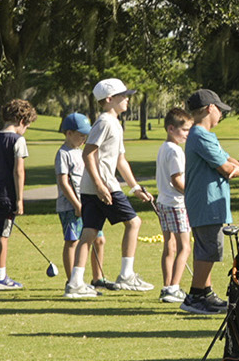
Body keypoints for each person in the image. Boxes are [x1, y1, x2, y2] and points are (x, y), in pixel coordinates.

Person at [74, 78, 152, 297]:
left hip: (95, 186)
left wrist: (135, 187)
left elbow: (120, 160)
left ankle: (75, 283)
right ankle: (126, 275)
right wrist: (100, 185)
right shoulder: (105, 122)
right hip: (104, 185)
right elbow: (87, 153)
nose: (127, 99)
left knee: (89, 233)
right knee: (134, 222)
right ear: (109, 99)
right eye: (122, 96)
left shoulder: (114, 123)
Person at [179, 89, 238, 317]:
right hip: (206, 201)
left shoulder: (204, 135)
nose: (221, 115)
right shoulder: (200, 135)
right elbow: (226, 167)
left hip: (209, 201)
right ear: (209, 108)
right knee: (209, 249)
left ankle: (205, 292)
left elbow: (230, 161)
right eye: (219, 110)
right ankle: (195, 296)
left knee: (207, 248)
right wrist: (235, 169)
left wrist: (234, 167)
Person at [0, 99, 35, 291]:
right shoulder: (18, 140)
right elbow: (18, 171)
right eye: (26, 126)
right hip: (6, 194)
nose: (25, 130)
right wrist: (19, 199)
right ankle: (0, 278)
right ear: (21, 121)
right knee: (3, 235)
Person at [54, 113, 105, 288]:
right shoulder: (63, 153)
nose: (84, 139)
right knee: (72, 241)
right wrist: (77, 205)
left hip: (88, 204)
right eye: (81, 135)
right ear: (69, 133)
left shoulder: (82, 153)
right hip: (70, 207)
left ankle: (98, 278)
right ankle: (72, 281)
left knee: (98, 239)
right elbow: (63, 182)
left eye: (86, 136)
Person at [154, 106, 193, 304]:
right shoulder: (176, 151)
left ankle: (167, 286)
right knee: (185, 247)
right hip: (176, 203)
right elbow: (177, 180)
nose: (187, 134)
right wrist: (191, 194)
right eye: (184, 130)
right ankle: (174, 287)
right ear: (171, 129)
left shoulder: (164, 148)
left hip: (163, 202)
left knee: (169, 245)